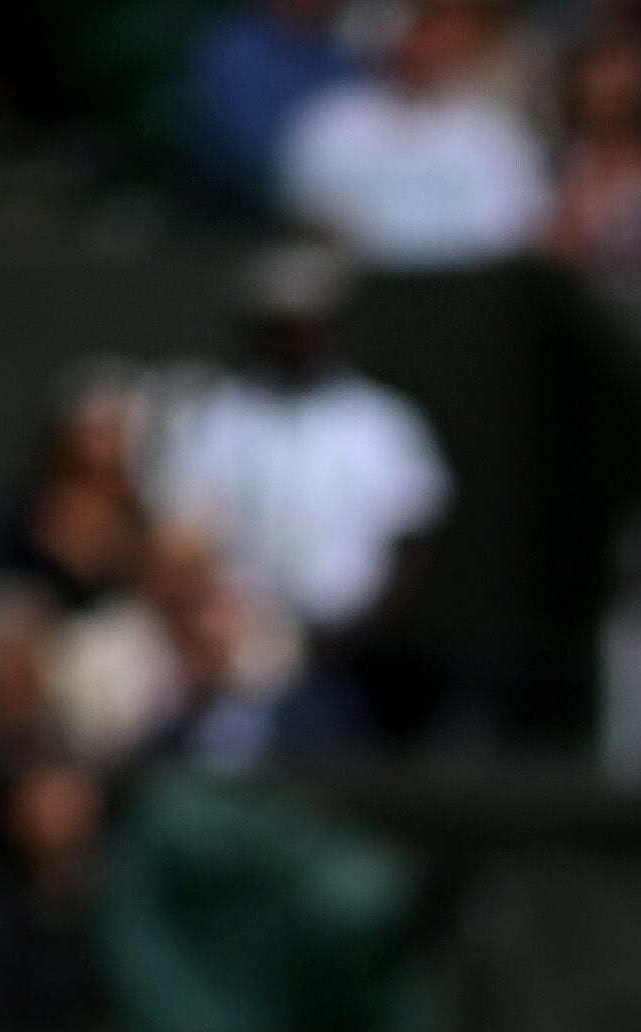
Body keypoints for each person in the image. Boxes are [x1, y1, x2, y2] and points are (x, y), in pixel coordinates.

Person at [145, 246, 453, 649]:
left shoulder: (384, 422)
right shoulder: (216, 419)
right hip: (238, 640)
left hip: (358, 639)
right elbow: (184, 529)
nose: (292, 343)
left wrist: (375, 623)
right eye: (279, 329)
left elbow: (413, 530)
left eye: (305, 328)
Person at [278, 0, 548, 267]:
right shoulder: (330, 119)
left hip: (463, 289)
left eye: (437, 31)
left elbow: (511, 229)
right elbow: (312, 215)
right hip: (357, 285)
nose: (424, 44)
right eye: (417, 28)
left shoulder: (494, 131)